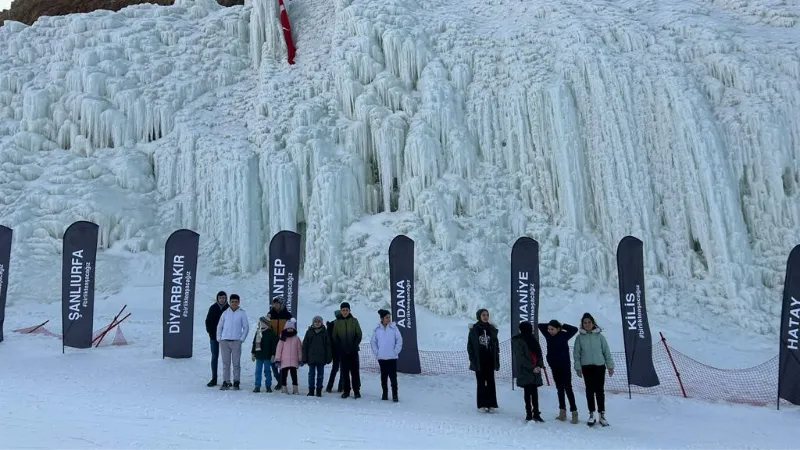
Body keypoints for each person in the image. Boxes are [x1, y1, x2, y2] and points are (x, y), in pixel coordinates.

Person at [573, 312, 614, 427]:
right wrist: (578, 367)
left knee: (599, 390)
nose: (587, 324)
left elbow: (606, 352)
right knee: (589, 391)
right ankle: (591, 414)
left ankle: (602, 415)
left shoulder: (600, 337)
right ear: (582, 324)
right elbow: (576, 354)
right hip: (586, 367)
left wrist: (610, 366)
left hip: (599, 367)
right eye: (585, 323)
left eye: (589, 322)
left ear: (593, 323)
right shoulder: (579, 338)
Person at [538, 319, 579, 423]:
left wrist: (562, 325)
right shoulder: (548, 335)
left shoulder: (563, 335)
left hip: (565, 366)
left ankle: (574, 412)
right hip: (554, 366)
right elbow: (540, 325)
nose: (550, 331)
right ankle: (562, 412)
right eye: (549, 329)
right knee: (559, 389)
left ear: (558, 329)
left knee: (568, 388)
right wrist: (551, 325)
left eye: (552, 329)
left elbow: (574, 329)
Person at [467, 308, 500, 412]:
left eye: (487, 315)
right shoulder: (474, 329)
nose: (486, 317)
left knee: (491, 381)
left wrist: (496, 356)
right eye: (483, 315)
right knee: (481, 382)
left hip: (490, 359)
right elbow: (470, 346)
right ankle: (482, 404)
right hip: (479, 359)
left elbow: (496, 344)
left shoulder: (491, 329)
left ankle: (491, 404)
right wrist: (473, 358)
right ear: (479, 316)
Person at [511, 322, 544, 422]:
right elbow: (520, 358)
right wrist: (532, 367)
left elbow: (539, 353)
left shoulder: (533, 339)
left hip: (535, 370)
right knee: (527, 392)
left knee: (534, 392)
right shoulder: (518, 341)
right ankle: (529, 413)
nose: (531, 330)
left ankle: (536, 413)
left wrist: (539, 365)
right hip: (526, 371)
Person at [216, 294, 249, 391]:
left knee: (236, 363)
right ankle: (226, 381)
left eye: (236, 302)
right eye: (232, 302)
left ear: (239, 302)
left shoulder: (242, 313)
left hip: (236, 341)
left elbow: (246, 327)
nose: (234, 303)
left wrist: (241, 339)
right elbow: (219, 326)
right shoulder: (225, 313)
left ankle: (236, 382)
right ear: (230, 302)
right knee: (226, 363)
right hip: (225, 341)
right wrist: (219, 338)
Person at [370, 309, 403, 402]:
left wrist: (395, 351)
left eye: (389, 317)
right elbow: (373, 342)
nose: (389, 319)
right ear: (382, 318)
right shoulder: (377, 329)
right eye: (386, 317)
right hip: (382, 358)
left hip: (392, 357)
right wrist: (377, 352)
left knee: (393, 377)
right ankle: (384, 394)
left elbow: (399, 340)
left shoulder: (394, 328)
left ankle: (395, 395)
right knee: (383, 377)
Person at [332, 302, 363, 399]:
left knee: (355, 372)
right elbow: (335, 336)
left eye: (347, 310)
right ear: (340, 311)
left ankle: (356, 390)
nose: (345, 312)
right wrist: (340, 347)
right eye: (343, 310)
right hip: (343, 351)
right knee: (344, 372)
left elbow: (359, 334)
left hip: (353, 350)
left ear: (349, 311)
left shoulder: (354, 321)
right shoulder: (337, 322)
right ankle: (346, 390)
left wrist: (354, 345)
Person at [302, 315, 333, 397]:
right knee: (311, 375)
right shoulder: (309, 332)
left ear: (321, 323)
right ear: (313, 323)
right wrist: (304, 357)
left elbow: (328, 346)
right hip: (311, 358)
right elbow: (305, 345)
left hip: (321, 358)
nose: (317, 323)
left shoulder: (325, 333)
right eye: (315, 321)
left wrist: (328, 357)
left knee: (320, 375)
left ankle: (319, 390)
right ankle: (311, 390)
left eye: (319, 321)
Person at [204, 291, 229, 387]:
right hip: (214, 338)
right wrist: (210, 333)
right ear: (217, 298)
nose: (222, 299)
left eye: (223, 298)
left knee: (226, 359)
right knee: (214, 357)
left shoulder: (229, 308)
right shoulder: (213, 308)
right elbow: (207, 321)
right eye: (220, 298)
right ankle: (214, 378)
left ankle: (225, 379)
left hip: (226, 338)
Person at [268, 296, 293, 390]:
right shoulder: (270, 314)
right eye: (274, 303)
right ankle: (279, 380)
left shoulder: (288, 315)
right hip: (272, 342)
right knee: (272, 362)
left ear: (281, 304)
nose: (275, 305)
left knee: (283, 363)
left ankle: (281, 381)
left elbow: (292, 329)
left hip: (284, 342)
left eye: (277, 303)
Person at [251, 313, 278, 393]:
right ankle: (257, 386)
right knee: (258, 371)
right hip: (259, 355)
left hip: (267, 356)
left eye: (261, 322)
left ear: (266, 323)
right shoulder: (258, 332)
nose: (260, 324)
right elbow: (254, 343)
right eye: (259, 323)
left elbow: (274, 345)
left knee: (267, 371)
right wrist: (253, 353)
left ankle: (268, 386)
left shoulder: (271, 333)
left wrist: (273, 354)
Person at [274, 318, 302, 394]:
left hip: (294, 360)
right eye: (288, 328)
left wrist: (300, 359)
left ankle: (295, 388)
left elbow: (299, 349)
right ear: (285, 328)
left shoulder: (296, 338)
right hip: (284, 360)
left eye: (291, 328)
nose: (290, 329)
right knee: (284, 375)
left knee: (294, 375)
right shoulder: (282, 338)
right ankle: (284, 388)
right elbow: (279, 350)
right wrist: (277, 359)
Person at [325, 310, 344, 393]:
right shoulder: (344, 324)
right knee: (342, 369)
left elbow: (328, 338)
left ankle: (330, 386)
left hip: (335, 349)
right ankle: (340, 387)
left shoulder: (332, 324)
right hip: (342, 349)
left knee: (335, 368)